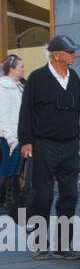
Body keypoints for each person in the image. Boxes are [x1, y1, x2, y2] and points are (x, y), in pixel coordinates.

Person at [18, 36, 80, 259]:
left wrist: (78, 139)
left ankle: (63, 245)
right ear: (56, 54)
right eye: (70, 51)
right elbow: (26, 112)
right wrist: (26, 141)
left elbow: (76, 112)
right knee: (42, 195)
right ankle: (39, 242)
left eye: (74, 51)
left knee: (69, 195)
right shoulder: (37, 78)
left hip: (69, 145)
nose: (74, 55)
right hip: (43, 144)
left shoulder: (74, 78)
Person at [0, 54, 24, 218]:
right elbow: (3, 115)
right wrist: (9, 138)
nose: (23, 69)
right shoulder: (4, 87)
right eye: (21, 66)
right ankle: (4, 203)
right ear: (11, 69)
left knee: (15, 169)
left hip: (18, 135)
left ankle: (12, 203)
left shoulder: (18, 86)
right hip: (8, 136)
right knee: (8, 169)